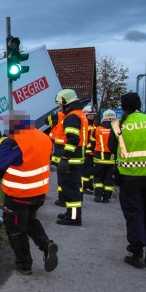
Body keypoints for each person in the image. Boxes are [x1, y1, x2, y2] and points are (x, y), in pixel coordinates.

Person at [0, 110, 58, 275]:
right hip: (39, 193)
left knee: (15, 227)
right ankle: (46, 245)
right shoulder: (44, 137)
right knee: (29, 220)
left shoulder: (13, 142)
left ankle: (23, 264)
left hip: (18, 195)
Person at [108, 93, 146, 269]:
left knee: (134, 215)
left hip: (129, 177)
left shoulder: (118, 124)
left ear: (123, 106)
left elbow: (112, 147)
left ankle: (137, 254)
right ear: (139, 105)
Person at [54, 89, 88, 226]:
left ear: (66, 103)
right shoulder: (79, 115)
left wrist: (65, 157)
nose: (60, 107)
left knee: (70, 189)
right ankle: (70, 213)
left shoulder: (72, 117)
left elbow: (73, 139)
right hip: (77, 158)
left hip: (71, 160)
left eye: (60, 104)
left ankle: (74, 218)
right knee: (71, 188)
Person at [93, 109, 117, 203]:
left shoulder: (97, 129)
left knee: (98, 177)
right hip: (112, 159)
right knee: (109, 178)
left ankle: (98, 196)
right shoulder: (116, 130)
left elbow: (91, 142)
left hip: (99, 158)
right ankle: (107, 197)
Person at [47, 110, 67, 207]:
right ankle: (66, 198)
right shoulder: (77, 116)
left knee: (62, 176)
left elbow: (47, 121)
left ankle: (62, 198)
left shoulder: (60, 115)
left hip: (60, 146)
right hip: (66, 148)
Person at [81, 105, 97, 195]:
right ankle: (84, 186)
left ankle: (90, 185)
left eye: (93, 115)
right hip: (86, 150)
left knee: (91, 170)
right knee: (86, 170)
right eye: (90, 114)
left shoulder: (94, 126)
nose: (92, 116)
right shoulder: (84, 126)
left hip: (92, 151)